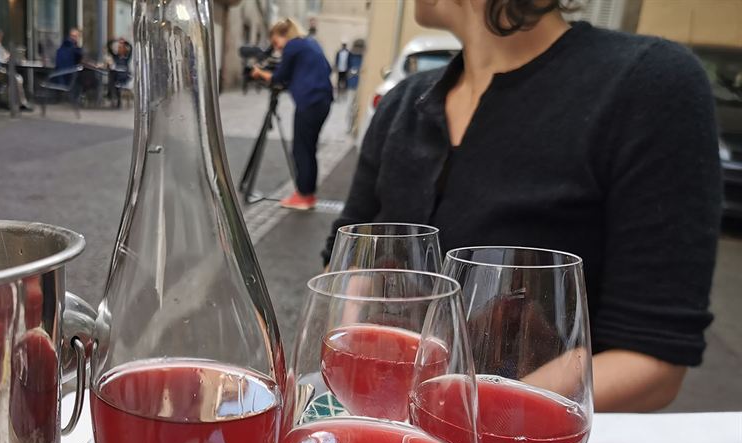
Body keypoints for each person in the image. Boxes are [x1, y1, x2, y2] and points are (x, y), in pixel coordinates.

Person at [326, 0, 721, 412]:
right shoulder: (403, 105)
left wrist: (464, 416)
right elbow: (343, 263)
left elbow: (651, 360)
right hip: (377, 423)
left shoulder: (645, 85)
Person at [252, 18, 333, 211]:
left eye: (275, 42)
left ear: (283, 35)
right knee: (309, 148)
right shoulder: (310, 44)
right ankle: (308, 194)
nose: (277, 48)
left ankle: (303, 196)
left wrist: (259, 73)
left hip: (309, 102)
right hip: (322, 101)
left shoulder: (293, 46)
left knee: (301, 149)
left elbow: (280, 76)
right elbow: (327, 68)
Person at [107, 36, 132, 108]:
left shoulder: (126, 58)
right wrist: (115, 40)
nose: (119, 49)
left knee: (115, 78)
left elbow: (131, 48)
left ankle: (113, 96)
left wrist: (125, 42)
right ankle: (114, 96)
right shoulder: (116, 57)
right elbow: (109, 47)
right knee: (112, 75)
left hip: (123, 76)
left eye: (121, 47)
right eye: (119, 48)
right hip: (116, 75)